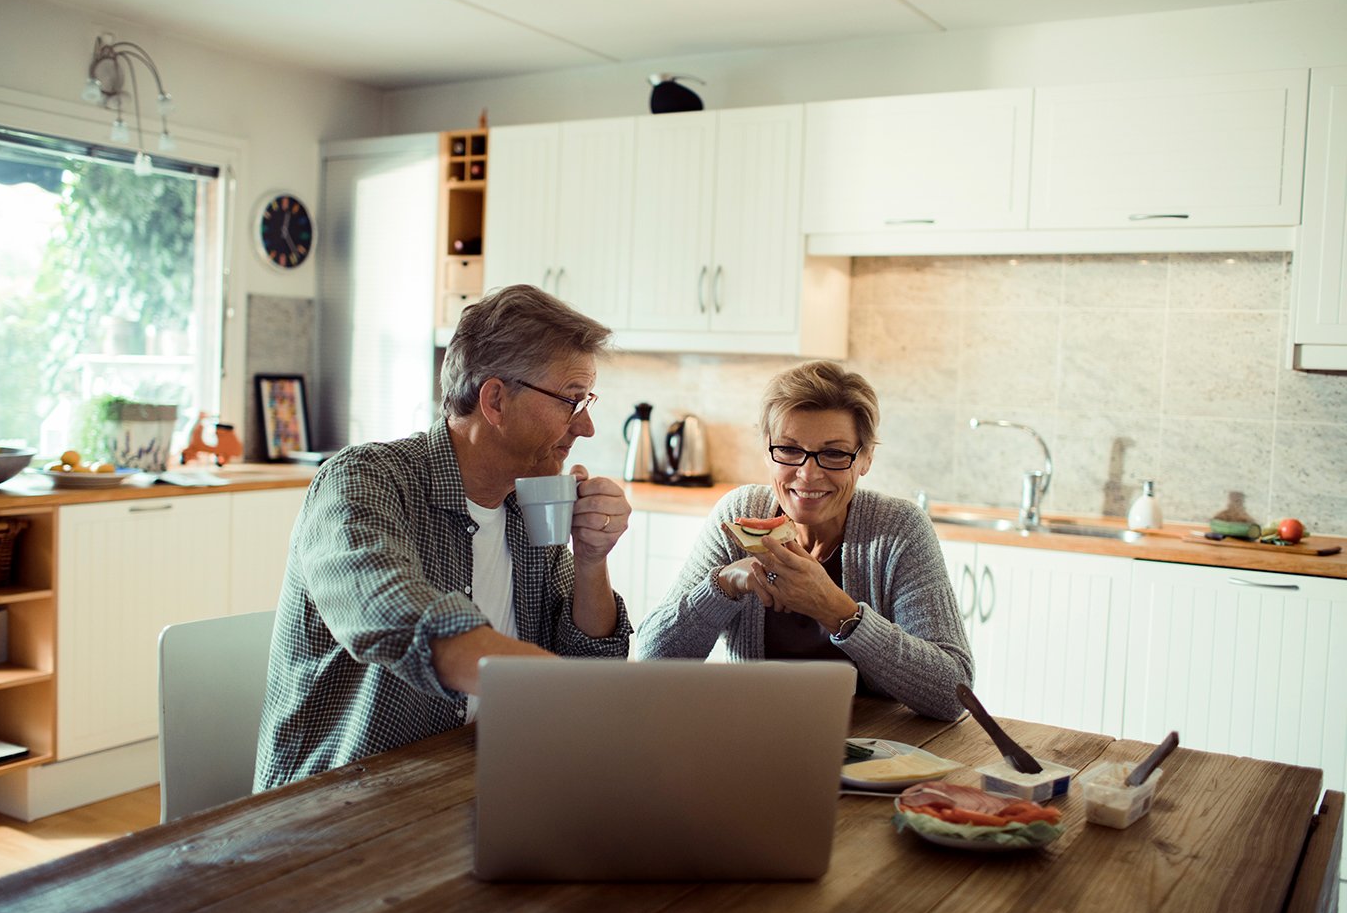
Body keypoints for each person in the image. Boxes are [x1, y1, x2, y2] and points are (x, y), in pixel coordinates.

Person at [255, 285, 633, 790]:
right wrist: (575, 697)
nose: (585, 427)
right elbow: (395, 615)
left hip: (479, 781)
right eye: (570, 400)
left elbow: (590, 662)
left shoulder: (530, 503)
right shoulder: (363, 481)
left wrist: (591, 560)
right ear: (495, 400)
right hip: (339, 804)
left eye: (585, 401)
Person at [636, 361, 972, 720]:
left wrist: (836, 610)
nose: (808, 474)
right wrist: (723, 585)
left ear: (865, 458)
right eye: (790, 449)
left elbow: (954, 694)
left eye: (834, 453)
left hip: (875, 754)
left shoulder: (898, 529)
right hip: (753, 739)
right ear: (767, 450)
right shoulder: (739, 512)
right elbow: (653, 660)